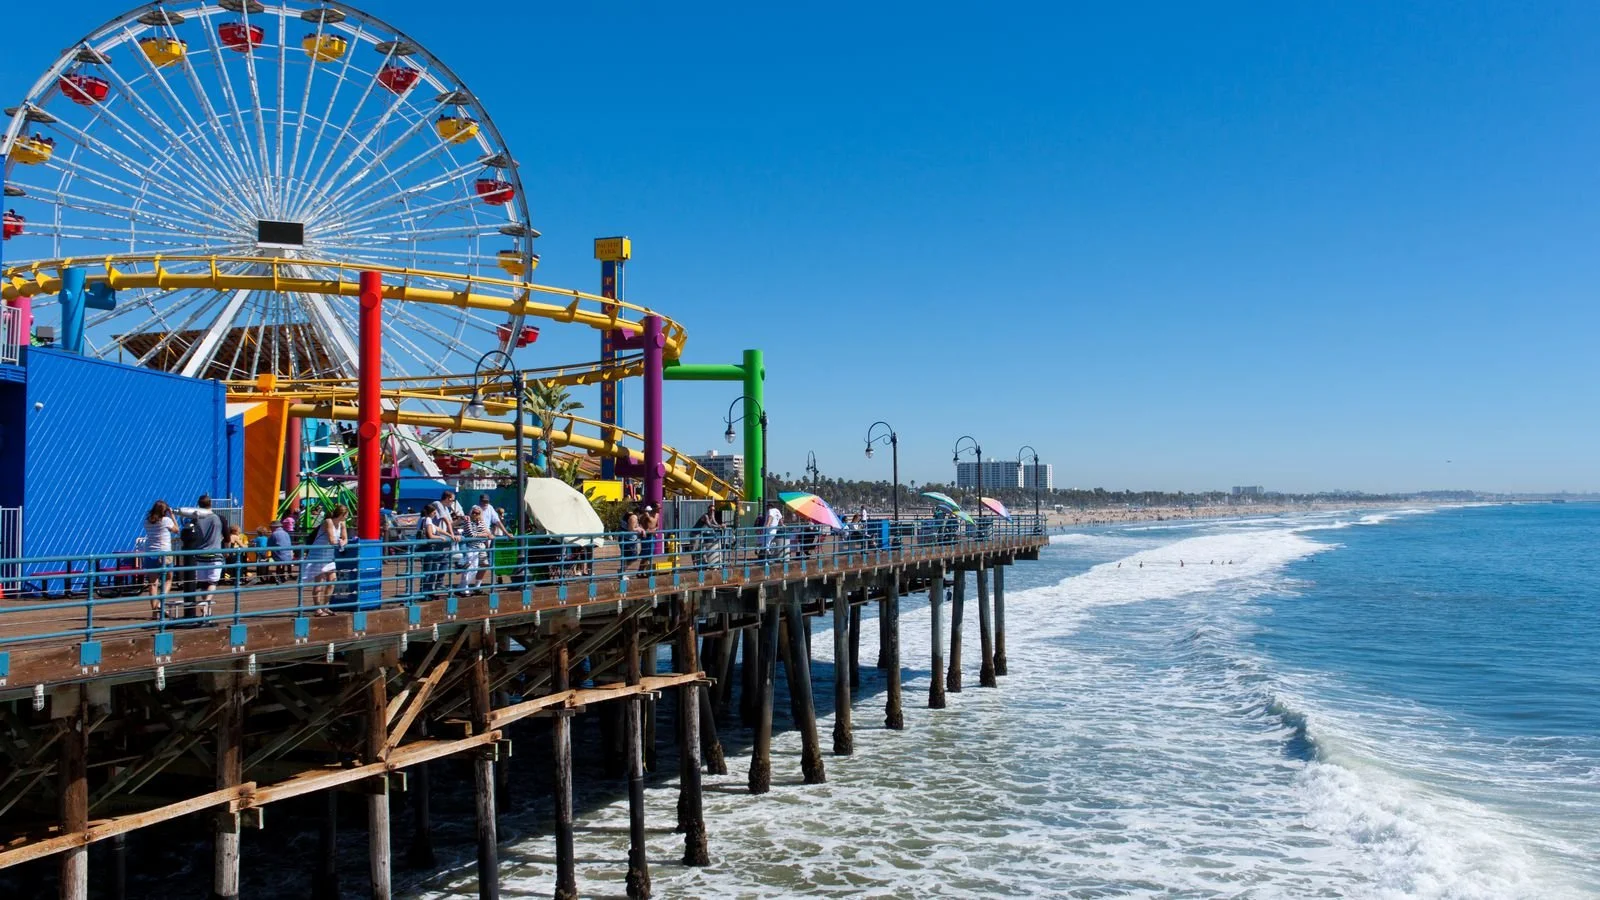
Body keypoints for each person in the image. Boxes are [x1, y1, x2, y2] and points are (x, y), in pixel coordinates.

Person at [175, 496, 224, 621]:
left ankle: (205, 607)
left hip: (200, 554)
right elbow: (225, 535)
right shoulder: (217, 518)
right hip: (215, 553)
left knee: (203, 583)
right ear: (210, 503)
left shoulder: (196, 520)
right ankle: (207, 603)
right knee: (213, 582)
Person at [302, 505, 349, 616]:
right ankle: (318, 609)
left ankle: (326, 606)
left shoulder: (342, 523)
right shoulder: (328, 522)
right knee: (319, 582)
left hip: (329, 554)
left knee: (332, 580)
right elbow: (331, 539)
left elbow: (345, 538)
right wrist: (339, 541)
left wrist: (343, 542)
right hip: (318, 554)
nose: (347, 517)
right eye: (346, 515)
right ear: (342, 514)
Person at [141, 500, 179, 618]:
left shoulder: (147, 521)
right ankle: (160, 604)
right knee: (168, 579)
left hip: (150, 552)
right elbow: (177, 530)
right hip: (164, 552)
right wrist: (172, 515)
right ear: (165, 511)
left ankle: (154, 612)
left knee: (153, 584)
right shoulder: (166, 520)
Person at [417, 502, 453, 597]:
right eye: (434, 512)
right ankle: (427, 592)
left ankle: (427, 591)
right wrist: (440, 538)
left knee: (429, 570)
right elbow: (430, 535)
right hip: (428, 548)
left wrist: (450, 535)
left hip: (423, 548)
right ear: (430, 512)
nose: (435, 514)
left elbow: (437, 529)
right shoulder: (428, 520)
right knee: (431, 570)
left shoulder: (422, 519)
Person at [462, 506, 491, 593]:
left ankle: (470, 586)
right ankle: (464, 587)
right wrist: (483, 534)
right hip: (470, 547)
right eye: (473, 512)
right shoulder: (468, 521)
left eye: (477, 513)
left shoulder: (481, 521)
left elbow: (487, 532)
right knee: (469, 568)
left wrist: (483, 534)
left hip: (479, 546)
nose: (474, 514)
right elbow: (471, 534)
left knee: (479, 567)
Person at [269, 518, 295, 583]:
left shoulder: (274, 534)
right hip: (289, 555)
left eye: (271, 527)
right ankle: (282, 576)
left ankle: (279, 577)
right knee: (282, 556)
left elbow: (269, 545)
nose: (270, 529)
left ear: (274, 527)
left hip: (280, 556)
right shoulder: (286, 533)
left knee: (278, 557)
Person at [638, 503, 660, 571]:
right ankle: (640, 570)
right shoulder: (646, 515)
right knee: (646, 555)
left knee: (650, 554)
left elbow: (657, 526)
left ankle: (646, 570)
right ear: (653, 508)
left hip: (652, 535)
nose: (659, 510)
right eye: (658, 508)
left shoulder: (657, 515)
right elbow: (639, 524)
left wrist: (654, 530)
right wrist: (644, 530)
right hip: (646, 536)